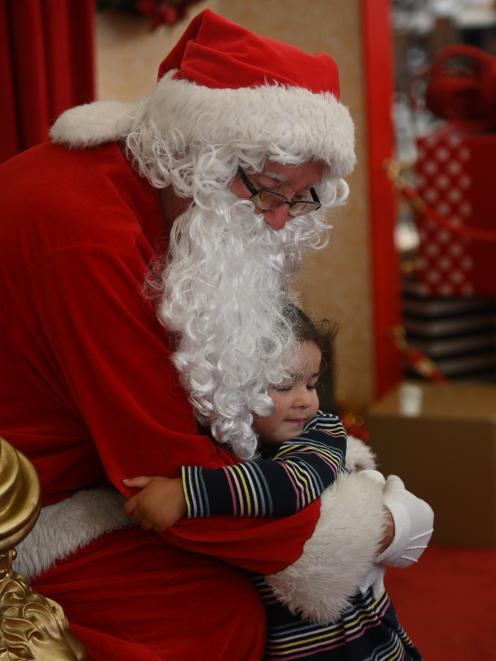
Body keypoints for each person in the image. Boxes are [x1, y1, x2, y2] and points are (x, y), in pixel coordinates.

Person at [0, 8, 431, 660]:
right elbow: (158, 466)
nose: (282, 222)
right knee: (217, 618)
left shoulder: (188, 204)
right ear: (199, 152)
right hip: (36, 500)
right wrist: (368, 528)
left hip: (102, 463)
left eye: (303, 199)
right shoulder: (87, 235)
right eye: (270, 191)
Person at [123, 305, 432, 659]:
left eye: (312, 384)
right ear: (234, 385)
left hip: (360, 645)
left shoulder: (321, 433)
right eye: (285, 385)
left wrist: (186, 493)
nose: (305, 399)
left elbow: (293, 484)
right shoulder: (223, 448)